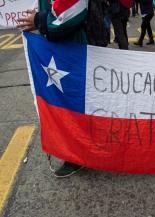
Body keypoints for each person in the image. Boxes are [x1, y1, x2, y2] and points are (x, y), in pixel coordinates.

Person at [17, 0, 88, 177]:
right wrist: (36, 18)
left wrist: (39, 20)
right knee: (65, 102)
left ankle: (78, 155)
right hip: (60, 48)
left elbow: (69, 13)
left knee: (73, 102)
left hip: (69, 49)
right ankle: (75, 150)